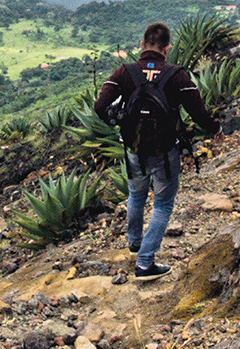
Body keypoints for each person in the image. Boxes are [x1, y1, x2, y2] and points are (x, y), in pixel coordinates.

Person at [94, 22, 222, 281]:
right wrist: (216, 128)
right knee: (163, 204)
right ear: (167, 48)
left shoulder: (124, 73)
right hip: (165, 151)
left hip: (134, 148)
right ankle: (145, 263)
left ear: (142, 45)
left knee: (135, 194)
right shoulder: (176, 75)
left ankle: (134, 244)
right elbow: (198, 112)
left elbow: (100, 106)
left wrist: (117, 119)